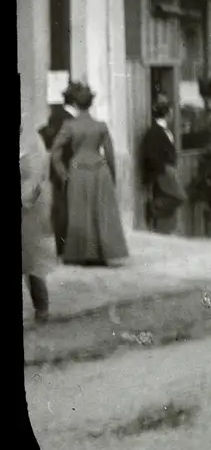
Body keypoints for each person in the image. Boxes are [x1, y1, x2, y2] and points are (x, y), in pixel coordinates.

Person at [50, 81, 129, 267]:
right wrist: (112, 176)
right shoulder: (101, 126)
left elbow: (55, 152)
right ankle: (101, 254)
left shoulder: (70, 125)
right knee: (99, 213)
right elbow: (110, 154)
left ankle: (82, 254)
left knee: (81, 212)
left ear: (76, 104)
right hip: (100, 170)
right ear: (91, 103)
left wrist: (63, 174)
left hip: (78, 171)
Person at [22, 115, 55, 322]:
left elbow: (34, 181)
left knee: (32, 263)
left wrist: (24, 198)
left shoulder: (32, 144)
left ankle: (42, 309)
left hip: (29, 213)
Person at [141, 96, 187, 234]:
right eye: (171, 112)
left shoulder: (164, 131)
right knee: (179, 197)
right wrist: (162, 168)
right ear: (167, 114)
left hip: (167, 171)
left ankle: (164, 226)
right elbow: (150, 154)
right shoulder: (154, 132)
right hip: (162, 173)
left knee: (173, 198)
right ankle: (154, 208)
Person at [39, 90, 75, 258]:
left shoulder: (56, 114)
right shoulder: (70, 118)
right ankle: (65, 246)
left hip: (57, 169)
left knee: (60, 207)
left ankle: (61, 246)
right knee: (65, 208)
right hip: (69, 168)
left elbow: (46, 137)